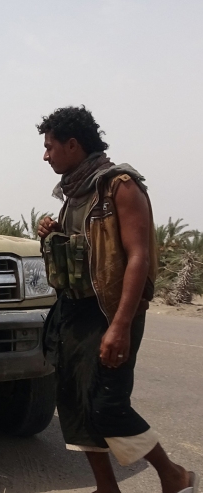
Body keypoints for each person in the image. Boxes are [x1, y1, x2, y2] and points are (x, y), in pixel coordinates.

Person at [37, 106, 198, 493]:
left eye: (50, 146)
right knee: (76, 402)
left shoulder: (120, 186)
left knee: (108, 407)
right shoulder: (75, 192)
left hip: (109, 311)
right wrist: (52, 232)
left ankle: (174, 476)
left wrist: (121, 326)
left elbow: (138, 256)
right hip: (74, 310)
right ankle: (107, 488)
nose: (45, 155)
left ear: (73, 145)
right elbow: (87, 250)